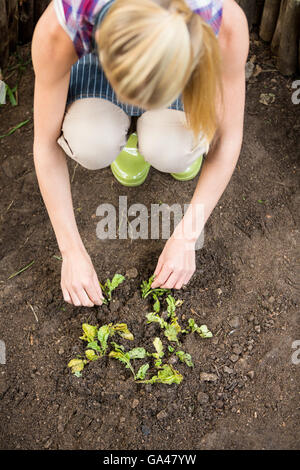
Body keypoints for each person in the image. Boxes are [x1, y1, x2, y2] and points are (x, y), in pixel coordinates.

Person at [31, 0, 249, 307]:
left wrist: (187, 237)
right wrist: (71, 251)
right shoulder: (65, 25)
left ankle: (163, 142)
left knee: (174, 147)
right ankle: (123, 138)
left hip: (176, 56)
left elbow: (229, 136)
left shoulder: (223, 23)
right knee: (91, 138)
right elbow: (44, 143)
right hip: (97, 73)